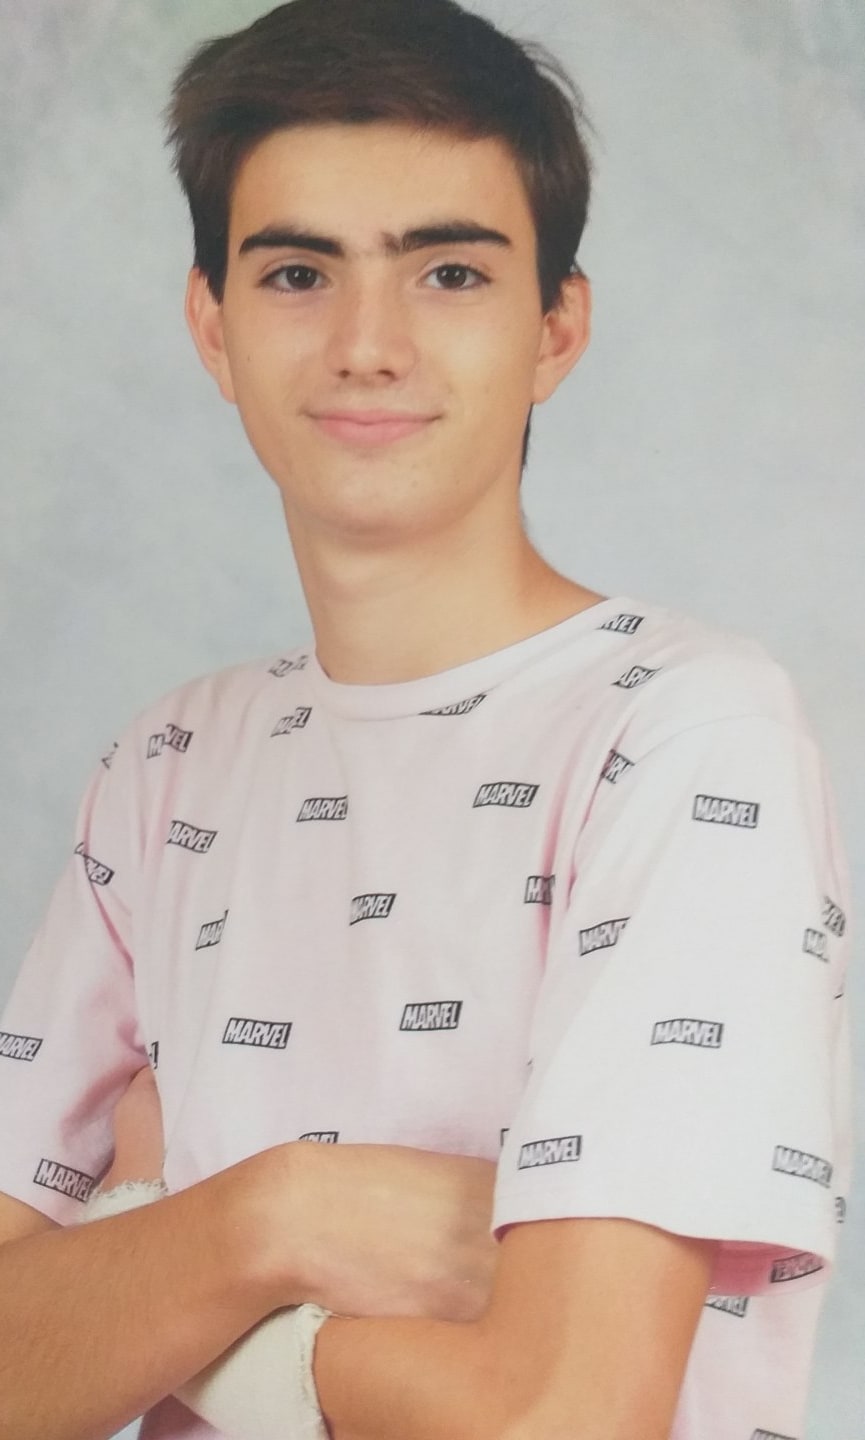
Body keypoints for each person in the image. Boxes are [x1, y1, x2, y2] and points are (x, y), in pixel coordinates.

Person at [0, 1, 851, 1437]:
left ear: (555, 328)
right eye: (296, 273)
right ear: (212, 326)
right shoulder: (166, 765)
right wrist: (281, 1212)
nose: (368, 345)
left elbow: (563, 1419)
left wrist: (153, 1248)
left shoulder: (687, 735)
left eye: (449, 271)